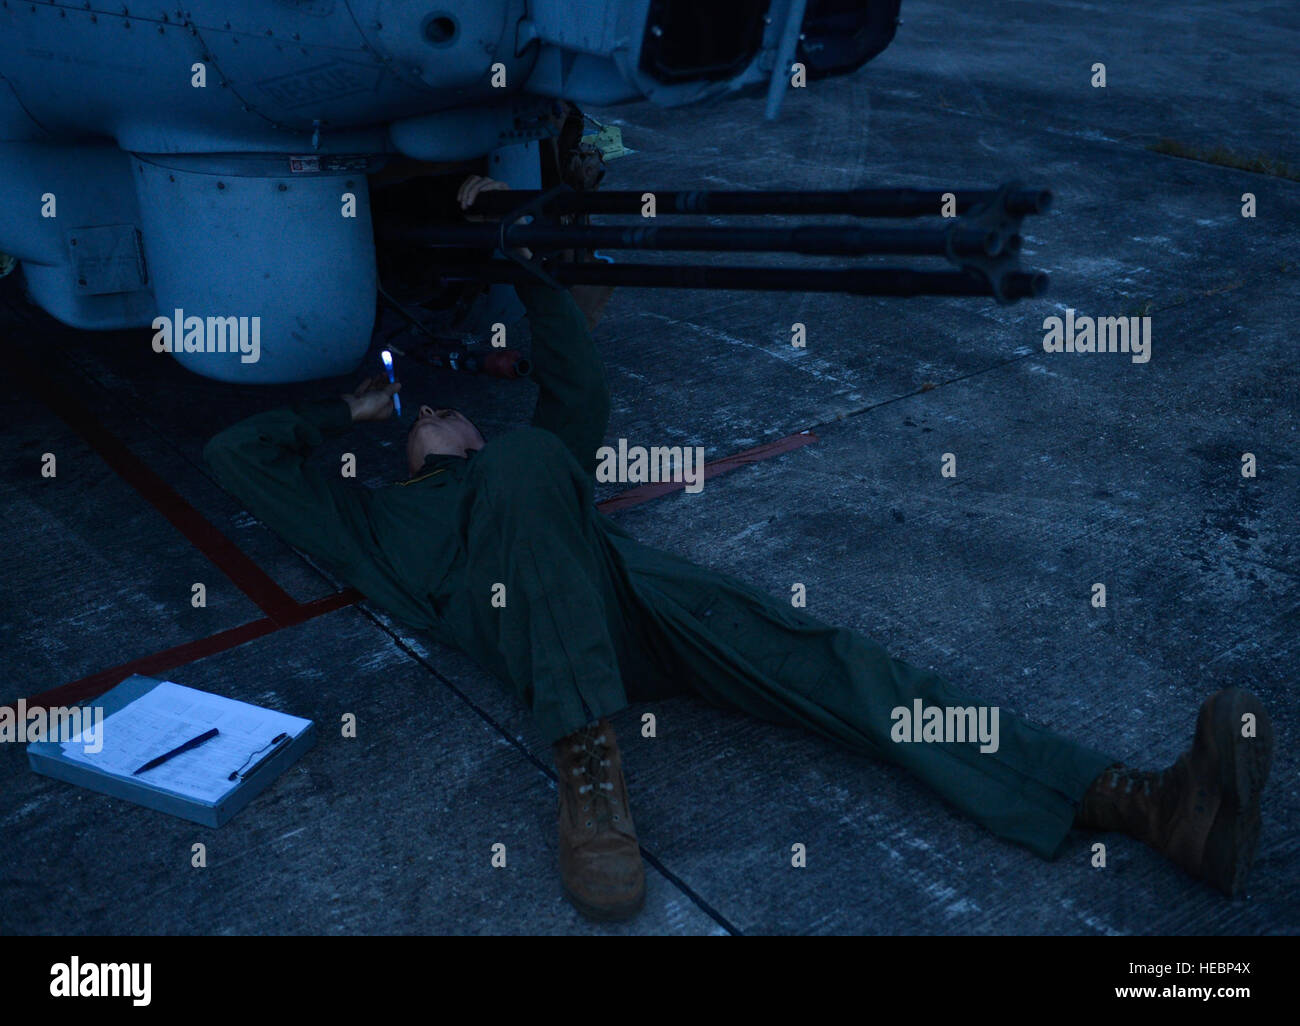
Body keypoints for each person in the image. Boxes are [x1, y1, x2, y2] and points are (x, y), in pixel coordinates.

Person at [205, 175, 1274, 922]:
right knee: (538, 464)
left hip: (637, 604)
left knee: (851, 672)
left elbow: (577, 387)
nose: (433, 417)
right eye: (416, 423)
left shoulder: (529, 462)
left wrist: (520, 258)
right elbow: (238, 455)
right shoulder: (379, 526)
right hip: (516, 628)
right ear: (403, 459)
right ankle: (588, 770)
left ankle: (1140, 804)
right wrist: (347, 414)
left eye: (451, 416)